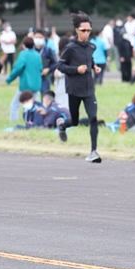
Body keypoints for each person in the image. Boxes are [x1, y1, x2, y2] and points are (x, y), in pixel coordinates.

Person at [56, 12, 103, 163]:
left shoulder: (91, 46)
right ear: (77, 30)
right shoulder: (70, 48)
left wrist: (95, 66)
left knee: (93, 118)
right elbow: (60, 65)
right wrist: (76, 70)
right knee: (75, 121)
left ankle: (93, 152)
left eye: (88, 30)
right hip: (74, 90)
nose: (86, 33)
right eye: (83, 30)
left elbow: (90, 59)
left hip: (89, 89)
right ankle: (62, 125)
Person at [6, 36, 43, 122]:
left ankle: (14, 122)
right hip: (36, 84)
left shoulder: (23, 54)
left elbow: (18, 68)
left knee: (14, 105)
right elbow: (40, 68)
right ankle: (35, 121)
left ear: (24, 45)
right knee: (34, 105)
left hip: (26, 85)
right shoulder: (37, 54)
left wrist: (9, 79)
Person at [34, 29, 57, 93]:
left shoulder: (47, 50)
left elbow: (55, 63)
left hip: (45, 77)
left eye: (40, 37)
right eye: (36, 37)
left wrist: (48, 69)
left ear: (44, 38)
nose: (38, 39)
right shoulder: (30, 50)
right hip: (33, 77)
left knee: (45, 96)